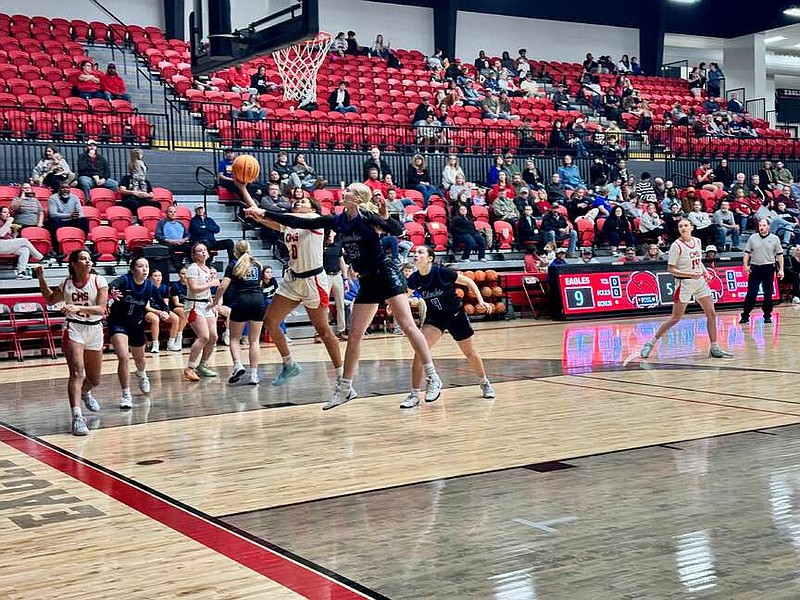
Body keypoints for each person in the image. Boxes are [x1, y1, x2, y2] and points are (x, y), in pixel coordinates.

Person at [244, 182, 442, 410]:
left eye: (348, 191)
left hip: (386, 274)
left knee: (408, 326)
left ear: (356, 198)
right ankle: (346, 388)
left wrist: (385, 217)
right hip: (367, 279)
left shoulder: (367, 217)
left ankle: (431, 376)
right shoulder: (337, 221)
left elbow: (397, 230)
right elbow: (296, 221)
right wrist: (264, 213)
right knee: (355, 334)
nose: (343, 192)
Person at [240, 190, 344, 388]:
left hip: (313, 280)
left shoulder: (315, 220)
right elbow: (262, 217)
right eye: (296, 201)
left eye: (303, 201)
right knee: (270, 322)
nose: (298, 202)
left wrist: (262, 212)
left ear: (312, 208)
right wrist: (244, 189)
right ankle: (289, 364)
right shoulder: (289, 224)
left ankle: (341, 376)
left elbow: (278, 216)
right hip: (292, 279)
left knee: (323, 331)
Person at [402, 246, 495, 408]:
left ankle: (484, 382)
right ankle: (414, 394)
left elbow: (469, 281)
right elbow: (404, 295)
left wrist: (481, 301)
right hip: (435, 318)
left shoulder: (442, 272)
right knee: (419, 352)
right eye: (414, 253)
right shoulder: (415, 278)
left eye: (420, 252)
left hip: (455, 315)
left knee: (470, 353)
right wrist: (395, 306)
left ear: (430, 258)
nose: (415, 255)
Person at [35, 250, 107, 435]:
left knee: (95, 379)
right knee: (77, 373)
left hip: (94, 329)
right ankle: (77, 417)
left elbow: (100, 309)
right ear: (74, 264)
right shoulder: (66, 283)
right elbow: (50, 300)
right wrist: (41, 279)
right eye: (83, 259)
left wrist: (78, 307)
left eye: (89, 259)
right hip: (73, 328)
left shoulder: (99, 281)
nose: (88, 261)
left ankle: (85, 392)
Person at [640, 218, 733, 359]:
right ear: (678, 229)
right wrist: (690, 274)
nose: (683, 228)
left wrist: (705, 272)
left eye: (686, 225)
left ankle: (714, 347)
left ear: (692, 227)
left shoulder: (697, 241)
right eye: (681, 226)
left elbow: (698, 261)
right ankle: (650, 343)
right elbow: (671, 269)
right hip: (684, 284)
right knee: (675, 318)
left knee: (711, 314)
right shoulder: (676, 246)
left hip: (699, 282)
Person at [107, 257, 158, 408]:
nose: (144, 269)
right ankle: (126, 394)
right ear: (132, 269)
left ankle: (141, 374)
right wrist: (112, 292)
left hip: (136, 324)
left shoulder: (149, 285)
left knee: (140, 359)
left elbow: (160, 301)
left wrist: (165, 311)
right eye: (140, 266)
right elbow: (110, 286)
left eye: (147, 266)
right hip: (118, 323)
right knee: (123, 357)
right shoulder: (124, 280)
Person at [212, 240, 265, 385]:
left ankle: (238, 365)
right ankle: (254, 375)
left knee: (235, 338)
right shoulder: (258, 265)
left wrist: (215, 301)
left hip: (241, 300)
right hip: (258, 300)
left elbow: (223, 286)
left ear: (235, 251)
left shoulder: (233, 265)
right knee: (254, 340)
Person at [739, 218, 784, 325]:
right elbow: (747, 252)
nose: (761, 227)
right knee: (751, 293)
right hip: (755, 268)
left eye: (763, 225)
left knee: (768, 293)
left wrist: (781, 269)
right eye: (760, 225)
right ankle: (745, 315)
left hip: (768, 268)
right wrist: (745, 265)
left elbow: (780, 254)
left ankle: (767, 315)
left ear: (768, 226)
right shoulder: (753, 238)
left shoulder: (775, 238)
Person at [143, 269, 181, 353]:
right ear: (150, 278)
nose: (158, 278)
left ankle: (171, 343)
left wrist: (165, 312)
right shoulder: (146, 288)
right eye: (155, 276)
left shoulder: (164, 288)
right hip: (149, 311)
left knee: (175, 318)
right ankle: (155, 344)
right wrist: (159, 312)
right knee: (155, 319)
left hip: (161, 310)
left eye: (159, 276)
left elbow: (165, 304)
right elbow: (147, 307)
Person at [323, 230, 349, 341]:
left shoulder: (338, 246)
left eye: (332, 232)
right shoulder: (321, 246)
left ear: (334, 234)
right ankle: (321, 332)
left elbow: (341, 262)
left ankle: (341, 331)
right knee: (323, 305)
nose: (330, 234)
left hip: (337, 275)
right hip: (325, 276)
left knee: (341, 305)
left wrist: (346, 278)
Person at [47, 182, 90, 246]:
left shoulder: (75, 197)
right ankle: (56, 246)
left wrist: (77, 216)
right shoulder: (53, 198)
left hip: (72, 220)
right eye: (63, 188)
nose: (65, 190)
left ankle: (83, 244)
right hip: (60, 221)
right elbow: (53, 214)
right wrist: (69, 215)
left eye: (67, 188)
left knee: (84, 220)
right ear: (59, 189)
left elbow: (81, 212)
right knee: (53, 221)